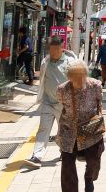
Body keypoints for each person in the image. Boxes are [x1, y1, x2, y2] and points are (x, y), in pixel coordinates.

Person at [56, 60, 105, 192]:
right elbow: (61, 106)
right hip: (69, 131)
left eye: (80, 76)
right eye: (73, 77)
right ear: (69, 77)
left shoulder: (95, 85)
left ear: (85, 74)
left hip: (91, 130)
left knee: (94, 160)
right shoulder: (62, 89)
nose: (77, 80)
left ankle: (89, 178)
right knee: (67, 163)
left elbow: (99, 103)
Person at [24, 36, 75, 169]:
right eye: (51, 50)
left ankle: (64, 152)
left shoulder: (70, 62)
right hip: (48, 102)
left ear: (62, 48)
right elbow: (42, 80)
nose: (53, 53)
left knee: (63, 131)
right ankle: (37, 156)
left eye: (56, 50)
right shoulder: (45, 62)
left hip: (64, 105)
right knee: (44, 129)